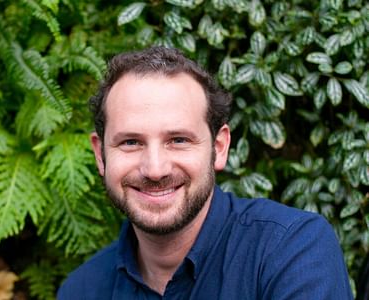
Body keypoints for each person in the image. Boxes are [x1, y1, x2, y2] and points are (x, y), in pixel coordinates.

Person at [57, 46, 353, 299]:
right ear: (101, 154)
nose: (155, 169)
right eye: (131, 142)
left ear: (219, 147)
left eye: (179, 140)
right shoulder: (82, 290)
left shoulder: (291, 251)